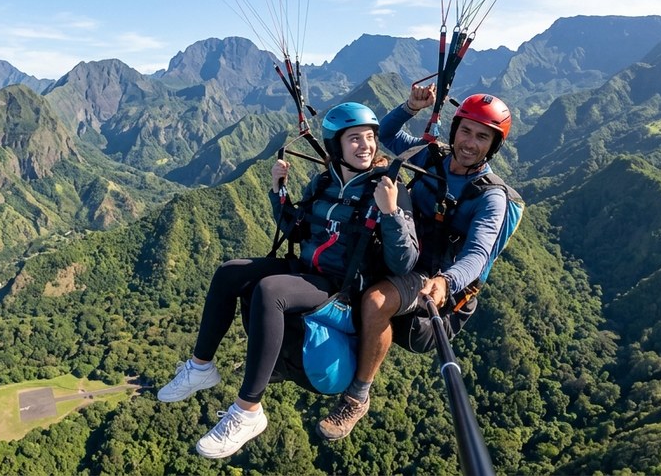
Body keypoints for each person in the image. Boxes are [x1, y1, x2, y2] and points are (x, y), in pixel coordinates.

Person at [156, 102, 420, 459]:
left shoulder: (389, 188)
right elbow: (296, 231)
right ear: (336, 146)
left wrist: (390, 213)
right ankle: (201, 367)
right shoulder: (324, 183)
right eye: (355, 138)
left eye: (370, 137)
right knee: (230, 272)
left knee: (271, 290)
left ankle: (248, 411)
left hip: (342, 288)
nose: (366, 146)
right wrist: (278, 191)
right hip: (307, 272)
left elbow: (403, 262)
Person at [315, 85, 516, 441]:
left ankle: (357, 397)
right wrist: (410, 106)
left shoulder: (490, 197)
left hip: (428, 272)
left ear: (494, 145)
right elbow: (387, 135)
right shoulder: (432, 158)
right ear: (454, 130)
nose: (470, 143)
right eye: (466, 131)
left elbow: (478, 253)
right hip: (396, 248)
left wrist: (447, 282)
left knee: (376, 301)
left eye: (482, 137)